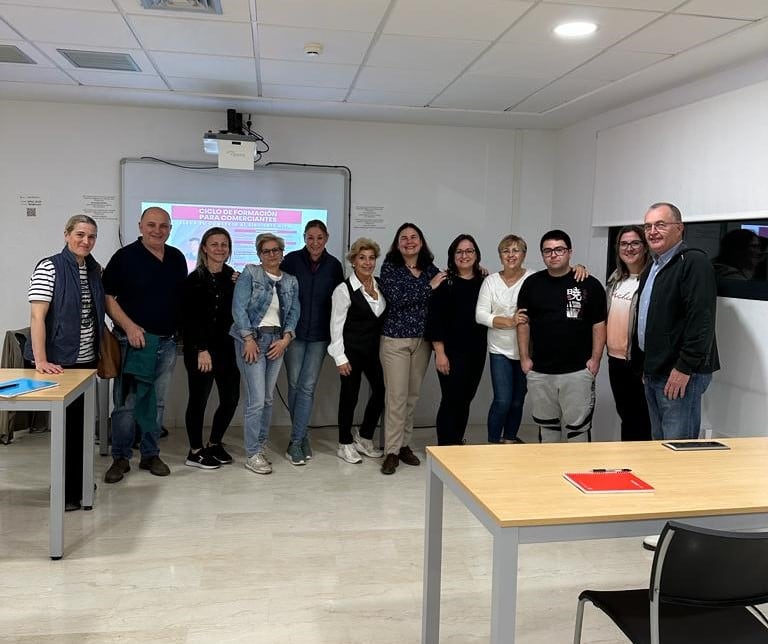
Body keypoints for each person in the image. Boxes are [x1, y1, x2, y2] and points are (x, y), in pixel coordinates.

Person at [26, 214, 105, 511]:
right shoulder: (50, 267)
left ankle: (81, 483)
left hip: (86, 361)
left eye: (92, 236)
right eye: (80, 234)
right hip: (60, 363)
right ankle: (64, 489)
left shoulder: (94, 269)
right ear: (66, 234)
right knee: (65, 430)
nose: (86, 241)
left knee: (82, 429)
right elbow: (37, 316)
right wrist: (42, 359)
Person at [102, 207, 187, 483]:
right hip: (132, 342)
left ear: (170, 228)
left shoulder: (176, 258)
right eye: (151, 224)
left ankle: (150, 454)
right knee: (125, 404)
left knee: (157, 402)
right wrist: (129, 326)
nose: (157, 230)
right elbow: (108, 298)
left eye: (163, 225)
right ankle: (121, 457)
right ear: (140, 226)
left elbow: (179, 299)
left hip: (166, 343)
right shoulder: (125, 257)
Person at [635, 202, 720, 440]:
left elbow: (701, 320)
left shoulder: (693, 263)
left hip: (680, 372)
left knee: (677, 447)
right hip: (655, 369)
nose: (652, 231)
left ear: (679, 228)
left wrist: (684, 368)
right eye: (648, 226)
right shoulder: (652, 266)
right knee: (659, 443)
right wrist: (646, 365)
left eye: (660, 225)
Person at [517, 230, 607, 443]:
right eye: (547, 250)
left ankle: (577, 473)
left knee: (578, 430)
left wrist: (595, 360)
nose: (553, 254)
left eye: (559, 249)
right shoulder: (532, 284)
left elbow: (599, 324)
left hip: (577, 371)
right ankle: (550, 474)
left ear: (569, 252)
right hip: (540, 371)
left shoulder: (588, 284)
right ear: (542, 254)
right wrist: (524, 359)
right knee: (547, 429)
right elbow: (522, 323)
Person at [378, 222, 446, 475]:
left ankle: (404, 444)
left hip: (422, 342)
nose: (409, 241)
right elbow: (398, 299)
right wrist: (429, 287)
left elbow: (451, 283)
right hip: (395, 340)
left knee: (411, 397)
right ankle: (391, 451)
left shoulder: (430, 269)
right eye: (403, 238)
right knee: (395, 397)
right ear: (397, 243)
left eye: (414, 237)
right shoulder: (390, 268)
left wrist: (478, 270)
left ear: (421, 241)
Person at [232, 233, 299, 475]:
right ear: (259, 255)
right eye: (266, 251)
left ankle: (260, 444)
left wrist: (286, 339)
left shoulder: (291, 281)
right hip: (253, 340)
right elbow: (238, 308)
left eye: (276, 250)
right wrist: (247, 338)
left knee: (268, 398)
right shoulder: (251, 273)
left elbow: (294, 314)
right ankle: (252, 453)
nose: (272, 255)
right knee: (256, 399)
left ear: (282, 253)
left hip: (277, 342)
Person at [280, 220, 343, 465]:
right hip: (293, 335)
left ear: (326, 238)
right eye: (310, 238)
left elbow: (339, 302)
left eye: (319, 238)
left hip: (319, 336)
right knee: (294, 385)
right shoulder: (292, 261)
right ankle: (301, 435)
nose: (315, 243)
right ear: (304, 238)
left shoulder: (334, 265)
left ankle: (295, 441)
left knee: (307, 387)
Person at [181, 227, 240, 469]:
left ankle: (215, 443)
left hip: (228, 350)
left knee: (231, 398)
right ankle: (195, 451)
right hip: (201, 351)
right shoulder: (193, 280)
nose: (219, 248)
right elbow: (187, 319)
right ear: (204, 247)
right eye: (214, 244)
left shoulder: (235, 278)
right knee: (199, 400)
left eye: (224, 244)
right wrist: (200, 349)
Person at [328, 238, 386, 463]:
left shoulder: (379, 284)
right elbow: (336, 326)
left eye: (371, 258)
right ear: (353, 261)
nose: (367, 262)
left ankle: (364, 437)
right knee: (349, 397)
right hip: (350, 353)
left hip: (374, 352)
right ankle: (344, 443)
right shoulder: (343, 290)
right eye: (362, 258)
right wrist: (340, 358)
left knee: (381, 391)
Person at [426, 234, 487, 446]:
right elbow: (434, 320)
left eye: (469, 251)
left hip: (476, 351)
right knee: (451, 399)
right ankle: (445, 447)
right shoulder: (444, 282)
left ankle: (457, 443)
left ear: (476, 255)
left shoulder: (484, 282)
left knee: (465, 399)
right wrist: (440, 353)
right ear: (452, 255)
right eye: (459, 251)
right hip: (450, 352)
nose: (464, 255)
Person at [475, 234, 533, 444]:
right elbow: (480, 315)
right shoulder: (490, 281)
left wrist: (578, 267)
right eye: (506, 251)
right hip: (499, 349)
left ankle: (509, 438)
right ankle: (492, 442)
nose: (511, 255)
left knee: (518, 401)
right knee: (503, 400)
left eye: (516, 250)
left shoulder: (533, 279)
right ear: (500, 256)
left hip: (526, 350)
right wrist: (511, 321)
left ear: (524, 254)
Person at [605, 225, 652, 441]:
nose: (629, 248)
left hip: (639, 361)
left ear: (645, 247)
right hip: (615, 360)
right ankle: (627, 464)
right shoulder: (616, 278)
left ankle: (639, 466)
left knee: (642, 418)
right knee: (626, 415)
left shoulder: (652, 279)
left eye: (635, 243)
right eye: (624, 244)